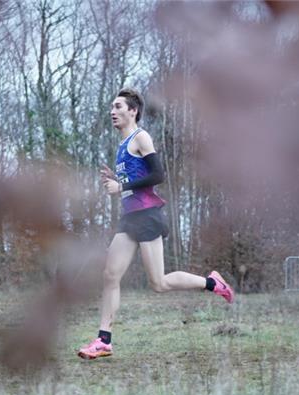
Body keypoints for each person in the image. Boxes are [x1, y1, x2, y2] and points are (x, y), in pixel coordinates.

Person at [78, 88, 234, 359]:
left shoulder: (141, 137)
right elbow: (134, 181)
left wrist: (121, 184)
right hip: (129, 218)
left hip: (148, 216)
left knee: (159, 283)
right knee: (110, 275)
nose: (112, 112)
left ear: (133, 111)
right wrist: (115, 180)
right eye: (111, 108)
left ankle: (211, 283)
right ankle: (104, 341)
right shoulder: (121, 144)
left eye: (118, 107)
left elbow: (158, 175)